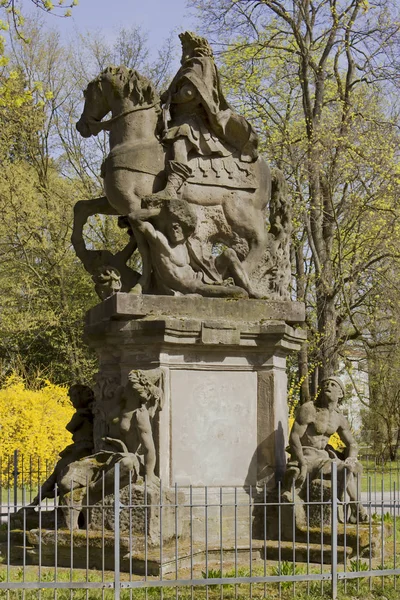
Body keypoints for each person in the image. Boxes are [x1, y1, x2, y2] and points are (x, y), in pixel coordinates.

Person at [149, 31, 259, 201]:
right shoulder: (189, 66)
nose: (183, 52)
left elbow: (189, 93)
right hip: (176, 118)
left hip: (193, 120)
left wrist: (169, 98)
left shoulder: (200, 64)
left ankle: (171, 189)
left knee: (180, 141)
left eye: (185, 47)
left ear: (194, 48)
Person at [283, 376, 368, 523]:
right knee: (343, 468)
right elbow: (294, 437)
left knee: (356, 467)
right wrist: (302, 462)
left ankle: (355, 513)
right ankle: (358, 508)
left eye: (333, 385)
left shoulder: (338, 417)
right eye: (326, 384)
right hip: (308, 457)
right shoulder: (309, 409)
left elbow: (352, 443)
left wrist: (352, 457)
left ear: (340, 394)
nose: (328, 386)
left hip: (324, 457)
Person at [131, 199, 252, 298]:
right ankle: (232, 289)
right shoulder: (160, 241)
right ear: (172, 225)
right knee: (238, 293)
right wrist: (162, 212)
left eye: (183, 231)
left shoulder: (183, 244)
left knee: (229, 253)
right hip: (193, 287)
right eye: (177, 228)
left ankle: (251, 291)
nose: (180, 234)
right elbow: (134, 217)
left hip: (202, 277)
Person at [30, 385, 95, 505]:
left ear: (82, 398)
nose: (72, 400)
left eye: (74, 397)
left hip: (82, 448)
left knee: (58, 470)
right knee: (59, 470)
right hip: (82, 447)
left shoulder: (81, 415)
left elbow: (70, 427)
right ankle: (45, 496)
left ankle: (38, 500)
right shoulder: (90, 413)